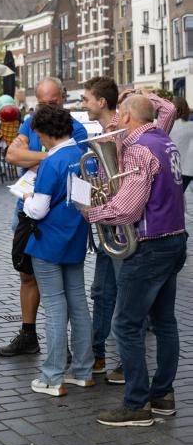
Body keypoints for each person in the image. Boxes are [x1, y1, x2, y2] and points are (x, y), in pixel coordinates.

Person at [80, 95, 186, 426]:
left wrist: (91, 210)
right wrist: (140, 97)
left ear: (126, 116)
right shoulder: (163, 138)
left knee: (125, 324)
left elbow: (127, 208)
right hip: (175, 239)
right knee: (165, 322)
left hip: (150, 245)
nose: (114, 123)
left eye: (120, 115)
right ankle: (162, 395)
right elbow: (165, 109)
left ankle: (136, 404)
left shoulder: (139, 149)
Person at [0, 77, 87, 357]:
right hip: (26, 208)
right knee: (26, 273)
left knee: (58, 288)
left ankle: (61, 349)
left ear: (63, 97)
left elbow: (72, 161)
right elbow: (12, 155)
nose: (47, 109)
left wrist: (41, 158)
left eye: (53, 102)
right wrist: (50, 157)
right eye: (42, 104)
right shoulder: (31, 121)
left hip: (51, 211)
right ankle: (28, 334)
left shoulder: (76, 127)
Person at [22, 105, 94, 396]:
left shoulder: (51, 162)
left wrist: (27, 196)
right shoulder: (85, 156)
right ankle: (83, 370)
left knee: (54, 306)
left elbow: (37, 210)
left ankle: (53, 376)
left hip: (49, 241)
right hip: (76, 236)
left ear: (44, 134)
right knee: (78, 304)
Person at [170, 97, 193, 192]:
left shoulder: (168, 127)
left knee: (175, 198)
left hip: (176, 168)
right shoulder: (191, 126)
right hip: (189, 167)